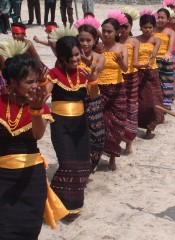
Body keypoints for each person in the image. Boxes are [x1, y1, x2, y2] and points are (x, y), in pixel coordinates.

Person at [0, 52, 64, 238]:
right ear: (13, 83)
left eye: (36, 81)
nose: (35, 86)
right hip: (2, 177)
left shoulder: (39, 103)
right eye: (29, 82)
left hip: (31, 178)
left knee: (28, 229)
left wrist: (36, 110)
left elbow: (38, 134)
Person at [45, 29, 99, 213]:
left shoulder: (86, 72)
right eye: (70, 57)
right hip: (60, 125)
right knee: (68, 164)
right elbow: (44, 95)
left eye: (77, 54)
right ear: (61, 58)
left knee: (83, 165)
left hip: (80, 125)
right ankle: (57, 203)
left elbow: (92, 96)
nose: (75, 59)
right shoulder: (53, 74)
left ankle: (72, 204)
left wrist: (93, 81)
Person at [75, 17, 106, 171]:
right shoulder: (72, 58)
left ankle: (92, 162)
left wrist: (85, 60)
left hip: (93, 98)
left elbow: (97, 70)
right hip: (75, 99)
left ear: (95, 41)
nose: (85, 43)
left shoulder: (100, 57)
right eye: (81, 40)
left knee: (97, 135)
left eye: (88, 40)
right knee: (78, 133)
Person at [98, 14, 128, 171]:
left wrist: (120, 61)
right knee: (100, 122)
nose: (106, 34)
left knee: (116, 123)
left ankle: (112, 156)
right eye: (104, 31)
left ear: (117, 32)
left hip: (116, 89)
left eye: (109, 31)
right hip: (99, 89)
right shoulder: (98, 47)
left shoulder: (121, 48)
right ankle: (97, 154)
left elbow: (126, 69)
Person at [135, 11, 164, 139]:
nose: (147, 30)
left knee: (154, 100)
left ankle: (150, 127)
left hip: (151, 73)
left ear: (153, 27)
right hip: (138, 72)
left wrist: (153, 54)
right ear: (140, 27)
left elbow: (156, 51)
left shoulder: (156, 40)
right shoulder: (135, 40)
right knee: (140, 101)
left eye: (150, 27)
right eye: (145, 27)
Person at [119, 11, 140, 155]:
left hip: (131, 77)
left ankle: (129, 142)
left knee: (131, 109)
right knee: (118, 109)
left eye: (125, 27)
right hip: (116, 78)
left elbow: (136, 62)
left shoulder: (134, 42)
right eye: (120, 27)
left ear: (131, 26)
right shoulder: (113, 41)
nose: (123, 30)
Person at [153, 8, 175, 109]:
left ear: (168, 19)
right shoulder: (152, 30)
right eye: (158, 17)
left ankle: (167, 103)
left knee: (167, 82)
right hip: (153, 59)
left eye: (163, 18)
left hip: (165, 60)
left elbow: (170, 48)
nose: (160, 20)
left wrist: (166, 55)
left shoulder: (170, 32)